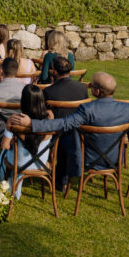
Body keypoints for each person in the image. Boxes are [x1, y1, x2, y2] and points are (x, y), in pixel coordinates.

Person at [10, 72, 129, 182]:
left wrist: (32, 123)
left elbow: (64, 123)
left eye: (91, 85)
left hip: (87, 160)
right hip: (114, 160)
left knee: (63, 139)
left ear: (96, 91)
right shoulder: (127, 109)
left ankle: (61, 182)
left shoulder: (87, 109)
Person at [0, 85, 54, 199]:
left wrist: (8, 127)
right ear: (41, 101)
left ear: (23, 101)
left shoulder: (15, 119)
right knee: (12, 147)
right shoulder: (50, 117)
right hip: (42, 163)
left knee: (6, 152)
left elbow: (4, 145)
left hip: (20, 163)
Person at [43, 56, 90, 189]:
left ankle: (59, 178)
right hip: (79, 130)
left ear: (55, 72)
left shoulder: (48, 91)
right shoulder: (82, 88)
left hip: (57, 131)